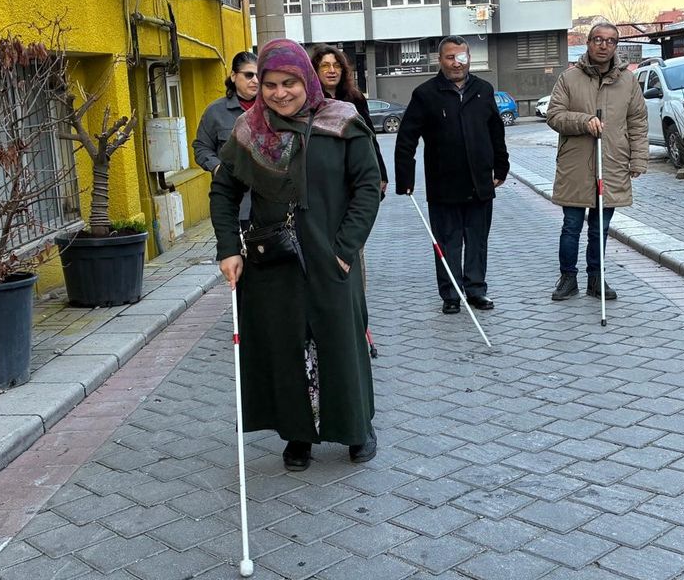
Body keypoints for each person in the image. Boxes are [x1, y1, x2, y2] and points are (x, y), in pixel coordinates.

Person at [209, 38, 382, 472]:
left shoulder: (342, 122)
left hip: (331, 257)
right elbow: (223, 191)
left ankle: (357, 427)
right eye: (269, 84)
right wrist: (228, 248)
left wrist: (344, 249)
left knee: (341, 342)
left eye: (289, 83)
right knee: (286, 346)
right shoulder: (249, 130)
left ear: (306, 79)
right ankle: (298, 434)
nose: (280, 93)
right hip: (273, 262)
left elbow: (367, 188)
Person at [395, 35, 509, 315]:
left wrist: (501, 166)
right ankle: (451, 294)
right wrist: (405, 179)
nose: (457, 63)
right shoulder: (425, 94)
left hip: (480, 182)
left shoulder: (483, 90)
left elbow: (496, 131)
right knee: (447, 243)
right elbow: (406, 138)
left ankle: (476, 290)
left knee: (477, 241)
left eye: (461, 57)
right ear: (440, 60)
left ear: (468, 58)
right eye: (450, 57)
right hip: (443, 185)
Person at [545, 22, 647, 301]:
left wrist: (638, 158)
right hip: (575, 165)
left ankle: (596, 279)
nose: (604, 45)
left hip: (612, 163)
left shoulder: (628, 81)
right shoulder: (569, 78)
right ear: (589, 42)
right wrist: (583, 121)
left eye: (610, 41)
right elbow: (554, 115)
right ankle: (568, 278)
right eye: (598, 39)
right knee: (571, 226)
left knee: (599, 228)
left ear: (616, 46)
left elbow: (638, 122)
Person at [310, 44, 388, 196]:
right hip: (324, 176)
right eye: (325, 66)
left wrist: (381, 174)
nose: (332, 70)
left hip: (355, 169)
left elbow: (370, 137)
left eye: (336, 65)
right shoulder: (310, 101)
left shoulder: (355, 98)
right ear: (315, 70)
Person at [194, 51, 259, 225]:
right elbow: (201, 147)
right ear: (234, 76)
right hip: (234, 203)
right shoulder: (215, 111)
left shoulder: (271, 109)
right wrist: (218, 168)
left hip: (269, 203)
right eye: (249, 75)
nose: (255, 80)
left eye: (259, 75)